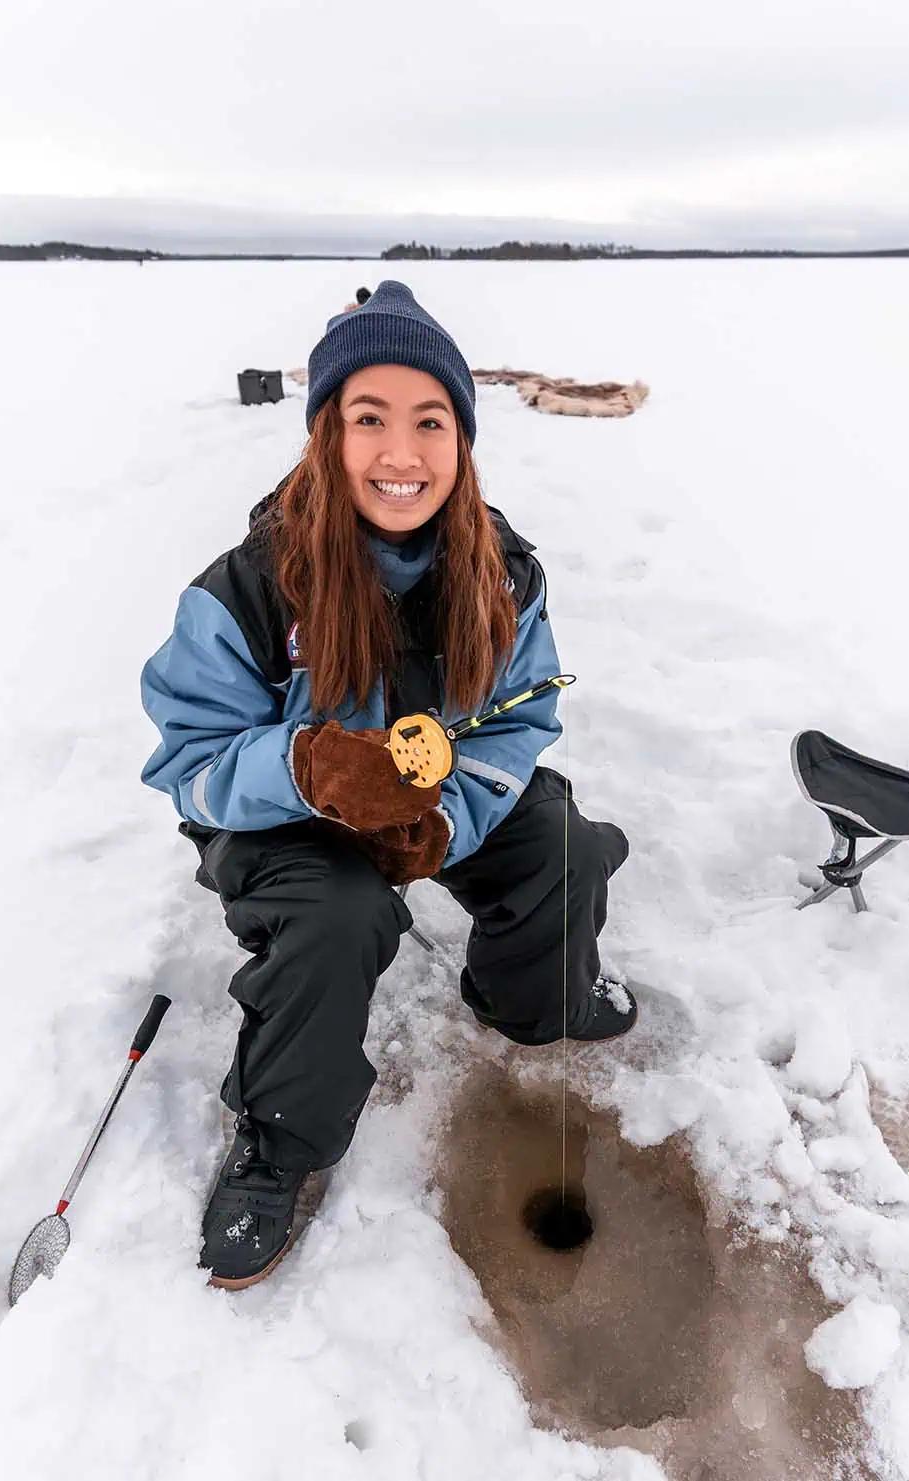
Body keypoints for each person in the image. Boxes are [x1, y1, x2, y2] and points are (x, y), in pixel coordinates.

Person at [140, 280, 632, 1290]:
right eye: (369, 419)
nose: (401, 454)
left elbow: (520, 718)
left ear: (463, 438)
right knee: (337, 914)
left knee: (565, 842)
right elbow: (189, 762)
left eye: (429, 421)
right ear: (327, 432)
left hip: (431, 800)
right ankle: (279, 1140)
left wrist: (447, 820)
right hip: (290, 815)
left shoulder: (503, 574)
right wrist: (308, 766)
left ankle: (536, 996)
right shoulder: (251, 583)